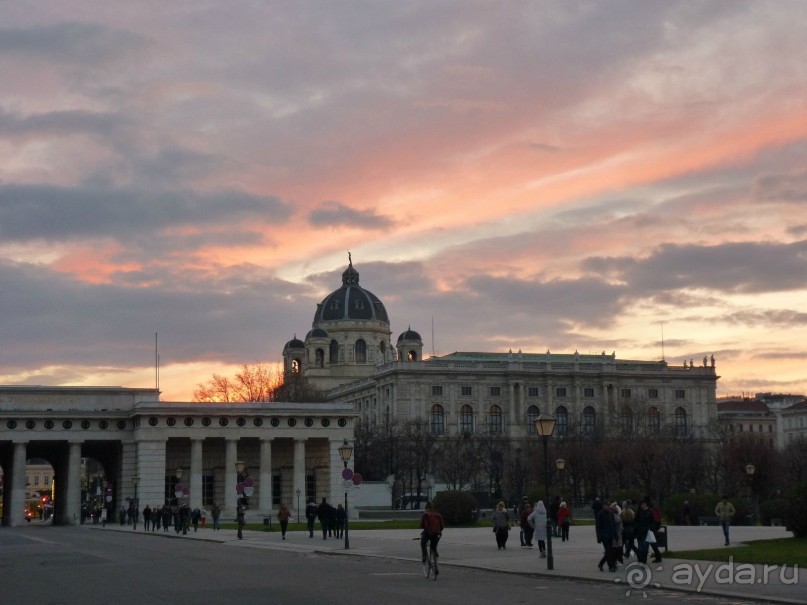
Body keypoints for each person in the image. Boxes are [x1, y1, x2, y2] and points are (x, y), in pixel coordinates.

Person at [420, 501, 444, 573]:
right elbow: (442, 526)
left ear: (426, 508)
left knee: (423, 543)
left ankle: (424, 556)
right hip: (436, 533)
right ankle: (436, 564)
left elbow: (422, 525)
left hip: (427, 533)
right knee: (433, 548)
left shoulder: (425, 515)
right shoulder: (438, 515)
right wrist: (438, 531)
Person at [595, 499, 616, 572]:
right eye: (606, 505)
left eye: (608, 505)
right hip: (604, 536)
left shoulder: (611, 513)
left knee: (610, 552)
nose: (607, 507)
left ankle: (601, 564)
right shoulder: (600, 514)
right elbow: (598, 527)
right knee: (608, 551)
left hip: (611, 535)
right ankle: (611, 566)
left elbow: (613, 525)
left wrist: (615, 535)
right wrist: (599, 537)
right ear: (603, 506)